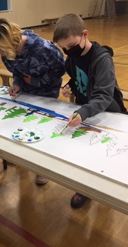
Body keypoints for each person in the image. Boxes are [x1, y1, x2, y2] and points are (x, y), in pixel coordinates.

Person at [53, 13, 127, 208]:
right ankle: (85, 187)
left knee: (105, 152)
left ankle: (108, 184)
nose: (69, 51)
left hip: (109, 113)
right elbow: (78, 78)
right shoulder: (72, 58)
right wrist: (72, 85)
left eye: (71, 46)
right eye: (64, 48)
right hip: (86, 110)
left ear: (84, 34)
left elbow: (103, 95)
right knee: (85, 152)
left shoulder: (102, 59)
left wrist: (84, 112)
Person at [0, 18, 66, 185]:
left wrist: (35, 82)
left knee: (41, 130)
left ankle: (41, 167)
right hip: (25, 95)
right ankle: (22, 158)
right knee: (21, 126)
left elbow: (60, 71)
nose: (2, 55)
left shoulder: (43, 48)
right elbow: (17, 72)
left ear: (11, 43)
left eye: (2, 51)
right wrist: (17, 85)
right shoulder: (7, 52)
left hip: (46, 95)